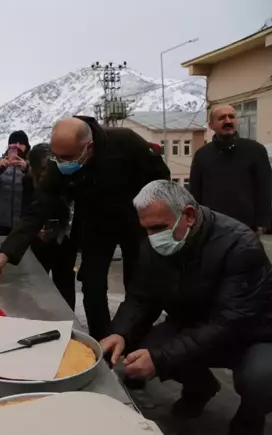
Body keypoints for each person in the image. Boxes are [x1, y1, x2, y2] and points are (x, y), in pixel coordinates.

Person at [101, 180, 272, 435]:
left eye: (159, 228)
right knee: (143, 346)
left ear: (189, 216)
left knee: (261, 378)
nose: (152, 238)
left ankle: (250, 416)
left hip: (251, 335)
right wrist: (121, 333)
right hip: (194, 324)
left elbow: (228, 323)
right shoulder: (154, 243)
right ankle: (200, 387)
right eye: (146, 230)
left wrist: (162, 359)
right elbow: (141, 297)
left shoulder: (240, 245)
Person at [0, 117, 170, 339]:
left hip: (135, 222)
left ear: (88, 148)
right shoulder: (59, 163)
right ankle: (103, 343)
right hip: (96, 225)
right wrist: (3, 257)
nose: (60, 162)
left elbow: (161, 178)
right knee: (92, 285)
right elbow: (37, 209)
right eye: (56, 156)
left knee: (137, 286)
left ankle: (136, 343)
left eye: (66, 157)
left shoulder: (126, 142)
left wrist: (152, 219)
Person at [190, 105, 272, 235]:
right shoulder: (202, 155)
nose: (228, 121)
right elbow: (195, 194)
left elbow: (265, 189)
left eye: (231, 117)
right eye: (222, 118)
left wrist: (262, 224)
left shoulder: (256, 150)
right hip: (213, 229)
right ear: (211, 125)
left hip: (247, 229)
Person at [23, 144, 77, 309]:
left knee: (65, 286)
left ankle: (67, 325)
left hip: (64, 241)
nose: (48, 172)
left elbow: (73, 210)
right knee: (38, 286)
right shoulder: (27, 182)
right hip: (39, 242)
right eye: (44, 168)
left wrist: (61, 228)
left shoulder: (66, 179)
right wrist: (37, 231)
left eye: (52, 166)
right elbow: (25, 213)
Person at [0, 131, 31, 236]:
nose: (17, 146)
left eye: (21, 143)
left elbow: (40, 183)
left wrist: (27, 168)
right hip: (0, 222)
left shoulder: (31, 163)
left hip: (24, 222)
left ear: (27, 146)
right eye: (14, 143)